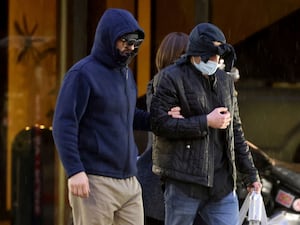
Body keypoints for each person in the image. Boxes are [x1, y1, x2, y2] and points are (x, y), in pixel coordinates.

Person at [150, 23, 262, 225]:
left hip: (221, 184)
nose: (216, 61)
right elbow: (160, 125)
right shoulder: (170, 78)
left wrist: (250, 174)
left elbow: (235, 130)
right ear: (197, 53)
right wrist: (205, 121)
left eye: (219, 56)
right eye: (212, 55)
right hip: (184, 181)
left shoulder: (225, 81)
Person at [52, 8, 149, 225]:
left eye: (136, 43)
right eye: (126, 41)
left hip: (130, 181)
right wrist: (75, 171)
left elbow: (128, 115)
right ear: (109, 36)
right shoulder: (82, 74)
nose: (131, 48)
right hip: (95, 181)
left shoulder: (125, 75)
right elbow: (63, 124)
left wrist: (161, 120)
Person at [137, 32, 189, 225]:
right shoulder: (157, 85)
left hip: (183, 185)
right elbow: (169, 123)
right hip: (155, 185)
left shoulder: (200, 87)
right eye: (181, 55)